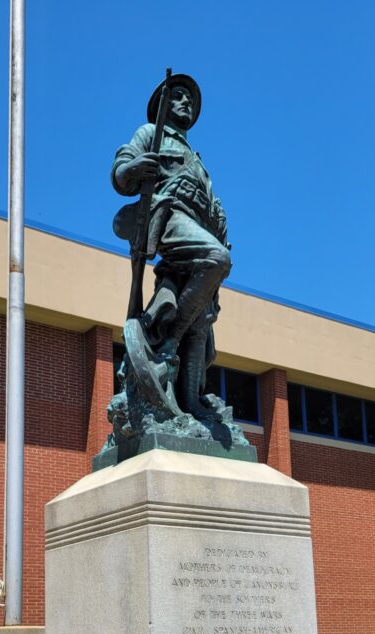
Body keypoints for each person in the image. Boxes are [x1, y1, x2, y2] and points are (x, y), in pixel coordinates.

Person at [112, 74, 231, 418]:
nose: (186, 102)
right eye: (178, 96)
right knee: (216, 259)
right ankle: (167, 342)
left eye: (189, 99)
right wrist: (134, 167)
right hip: (169, 217)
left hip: (197, 225)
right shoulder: (151, 133)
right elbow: (121, 172)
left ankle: (190, 399)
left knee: (202, 319)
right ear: (163, 105)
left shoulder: (195, 157)